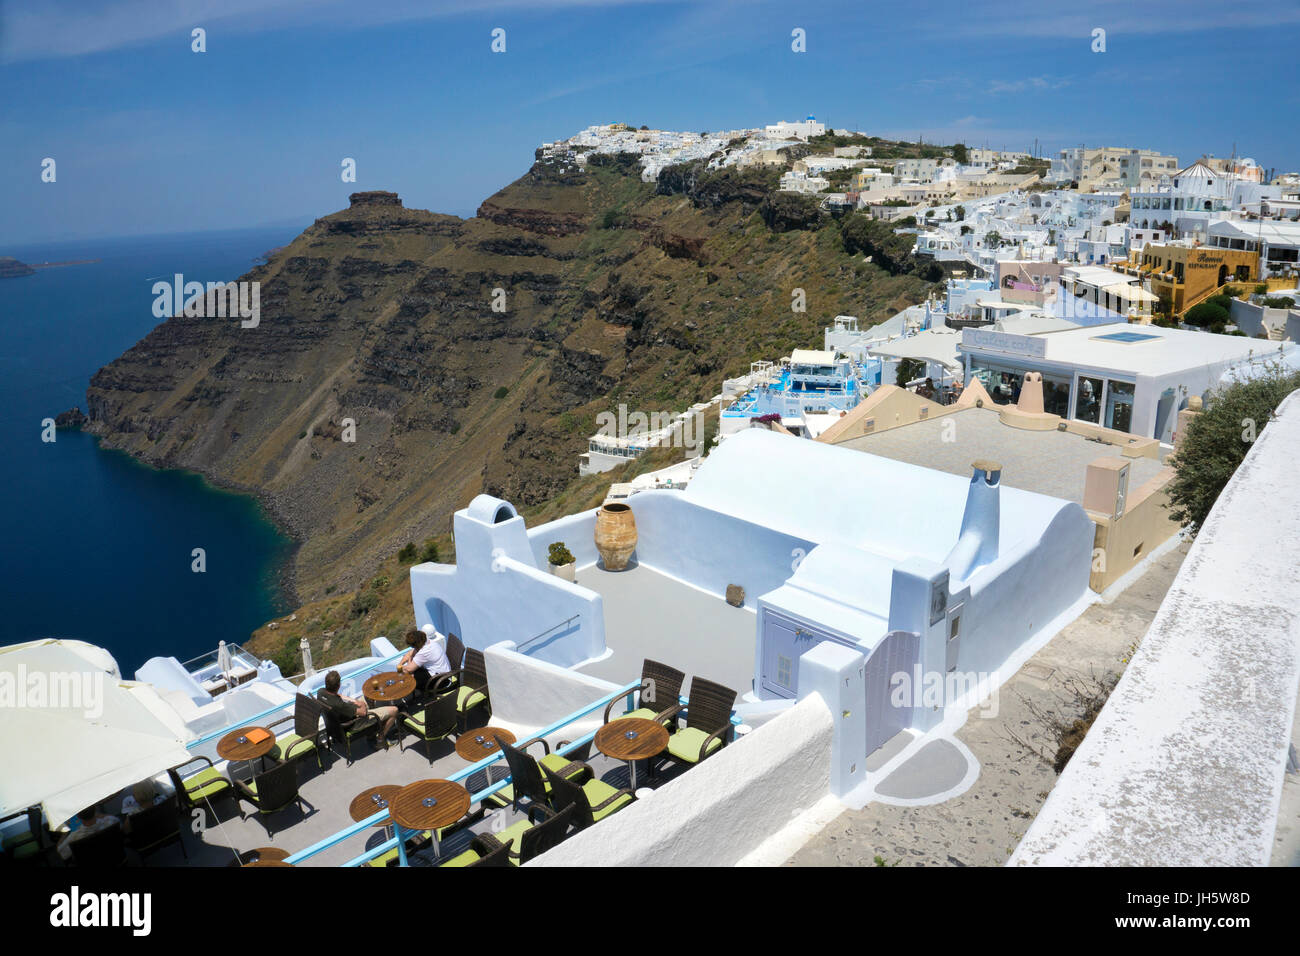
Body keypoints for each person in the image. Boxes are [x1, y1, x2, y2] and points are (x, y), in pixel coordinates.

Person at [318, 669, 398, 749]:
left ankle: (374, 730)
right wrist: (361, 704)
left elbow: (338, 695)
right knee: (394, 710)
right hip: (353, 723)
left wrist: (353, 700)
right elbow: (363, 713)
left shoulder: (321, 692)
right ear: (339, 685)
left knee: (369, 696)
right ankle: (380, 739)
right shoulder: (339, 705)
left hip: (342, 718)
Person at [398, 626, 451, 698]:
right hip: (441, 672)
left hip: (442, 680)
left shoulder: (424, 651)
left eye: (412, 646)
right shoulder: (427, 642)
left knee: (410, 679)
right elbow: (409, 653)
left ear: (416, 645)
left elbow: (408, 669)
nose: (412, 648)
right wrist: (400, 664)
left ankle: (420, 697)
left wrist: (407, 661)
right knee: (412, 674)